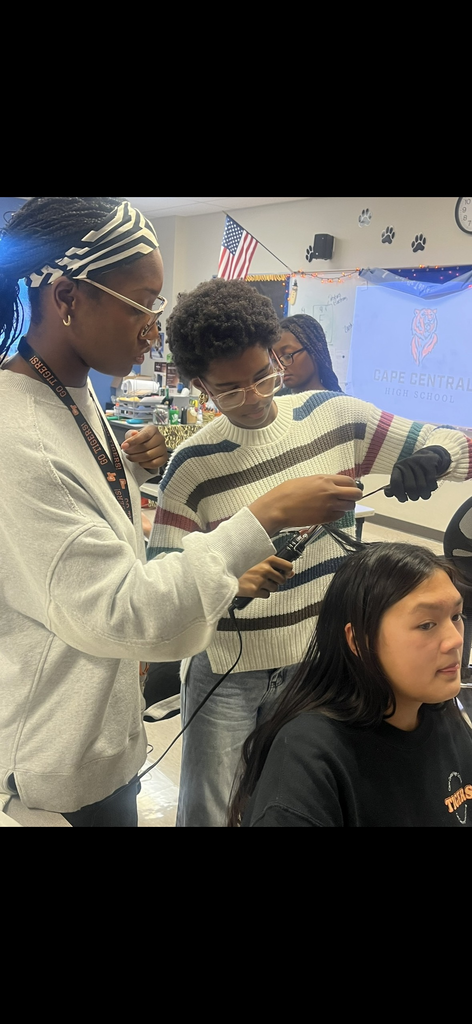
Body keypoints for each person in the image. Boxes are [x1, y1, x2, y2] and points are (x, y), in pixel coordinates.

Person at [0, 197, 361, 827]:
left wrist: (126, 469)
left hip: (102, 739)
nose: (154, 327)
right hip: (53, 771)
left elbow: (74, 533)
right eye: (144, 301)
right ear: (66, 299)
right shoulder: (20, 436)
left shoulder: (69, 393)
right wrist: (263, 517)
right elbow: (126, 611)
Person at [147, 277, 472, 827]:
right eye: (228, 390)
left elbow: (462, 443)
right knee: (210, 812)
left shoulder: (336, 417)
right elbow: (162, 586)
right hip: (228, 672)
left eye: (263, 375)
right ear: (198, 384)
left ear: (275, 354)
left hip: (320, 667)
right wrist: (231, 580)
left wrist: (435, 456)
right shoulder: (193, 466)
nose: (252, 398)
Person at [229, 542, 472, 827]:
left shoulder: (443, 717)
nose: (456, 639)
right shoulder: (309, 759)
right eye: (427, 624)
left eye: (456, 616)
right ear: (359, 641)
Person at [271, 313, 343, 394]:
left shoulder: (339, 404)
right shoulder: (273, 402)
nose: (280, 368)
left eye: (287, 356)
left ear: (313, 350)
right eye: (274, 360)